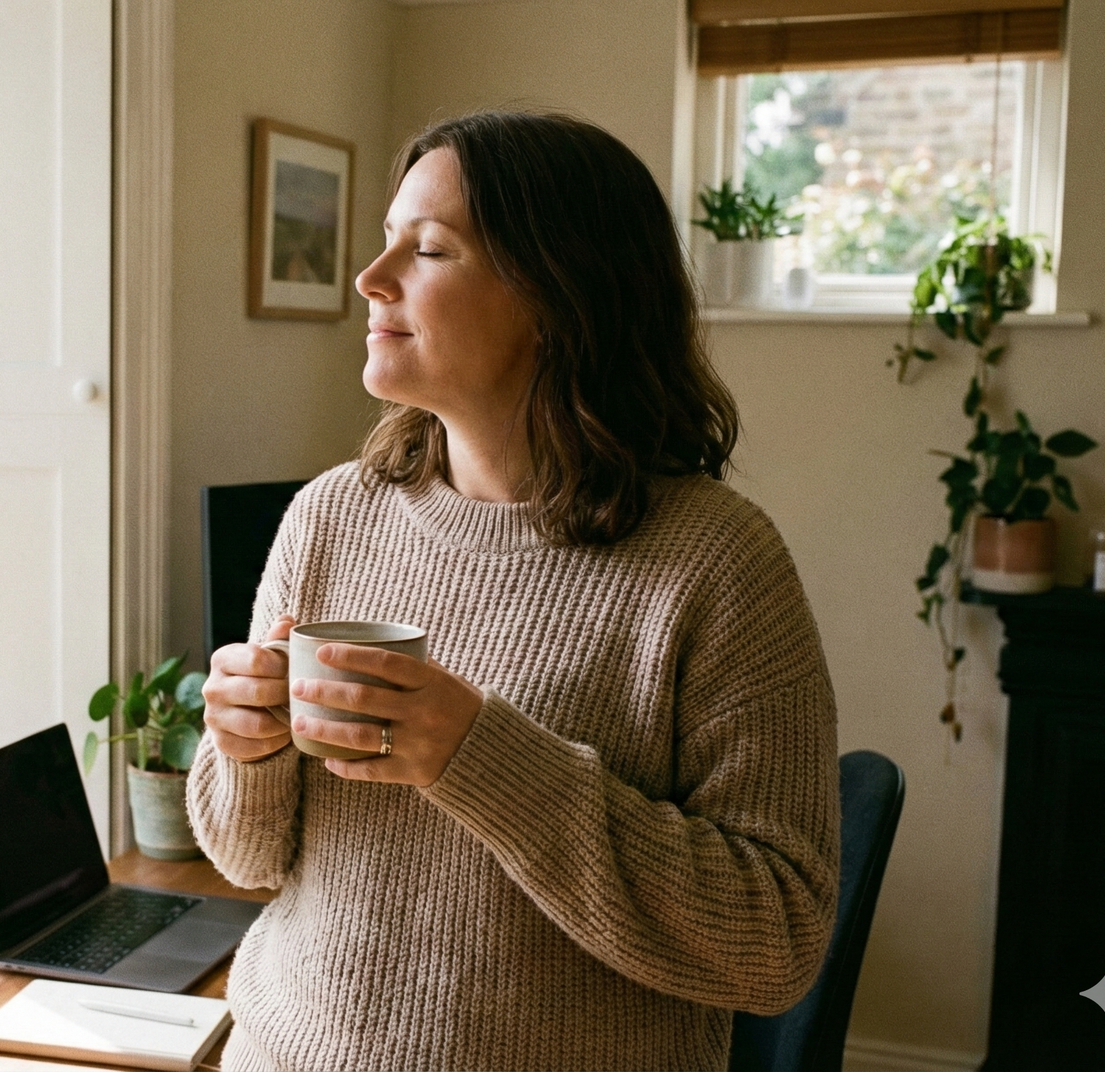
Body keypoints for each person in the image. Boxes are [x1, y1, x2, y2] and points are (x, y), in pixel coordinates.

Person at [187, 111, 841, 1071]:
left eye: (431, 249)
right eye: (385, 243)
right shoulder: (331, 516)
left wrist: (482, 757)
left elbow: (777, 942)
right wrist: (244, 748)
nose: (371, 281)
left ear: (559, 296)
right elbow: (249, 859)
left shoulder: (720, 565)